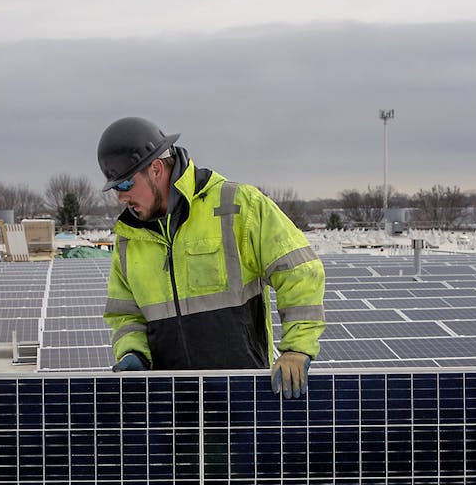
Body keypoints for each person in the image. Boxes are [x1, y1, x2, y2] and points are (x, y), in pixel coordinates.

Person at [97, 117, 325, 398]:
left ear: (155, 169)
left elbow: (299, 270)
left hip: (243, 398)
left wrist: (296, 347)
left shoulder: (238, 206)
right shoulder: (129, 239)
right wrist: (132, 351)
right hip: (171, 404)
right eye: (115, 188)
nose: (121, 198)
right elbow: (124, 314)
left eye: (125, 185)